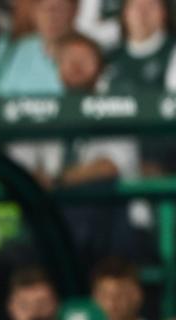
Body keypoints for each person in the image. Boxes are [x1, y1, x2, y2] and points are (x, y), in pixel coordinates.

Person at [9, 33, 144, 267]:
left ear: (100, 67)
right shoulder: (41, 110)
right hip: (53, 214)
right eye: (68, 59)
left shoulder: (116, 106)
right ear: (57, 67)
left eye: (84, 59)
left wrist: (58, 179)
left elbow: (109, 166)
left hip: (111, 221)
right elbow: (19, 162)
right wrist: (36, 178)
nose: (76, 67)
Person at [0, 0, 76, 97]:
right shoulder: (20, 49)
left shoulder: (89, 53)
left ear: (73, 12)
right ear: (34, 14)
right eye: (44, 9)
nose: (51, 17)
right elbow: (1, 97)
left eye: (60, 9)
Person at [102, 0, 176, 92]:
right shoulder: (110, 55)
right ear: (124, 13)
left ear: (164, 13)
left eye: (151, 5)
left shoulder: (172, 50)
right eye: (135, 5)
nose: (142, 12)